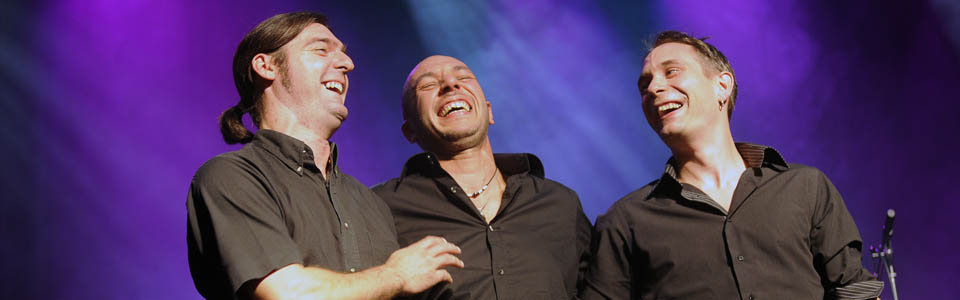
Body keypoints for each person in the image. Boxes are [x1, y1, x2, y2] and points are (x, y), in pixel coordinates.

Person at [580, 31, 884, 300]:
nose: (654, 87)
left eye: (671, 72)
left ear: (722, 86)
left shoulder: (804, 187)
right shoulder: (625, 222)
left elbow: (854, 292)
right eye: (645, 84)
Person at [186, 12, 463, 300]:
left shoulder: (370, 204)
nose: (347, 63)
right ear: (266, 66)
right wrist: (395, 275)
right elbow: (288, 293)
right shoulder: (232, 177)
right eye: (321, 49)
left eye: (343, 54)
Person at [372, 55, 592, 299]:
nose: (450, 85)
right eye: (428, 85)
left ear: (489, 112)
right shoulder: (381, 208)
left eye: (463, 77)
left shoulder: (560, 203)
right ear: (409, 130)